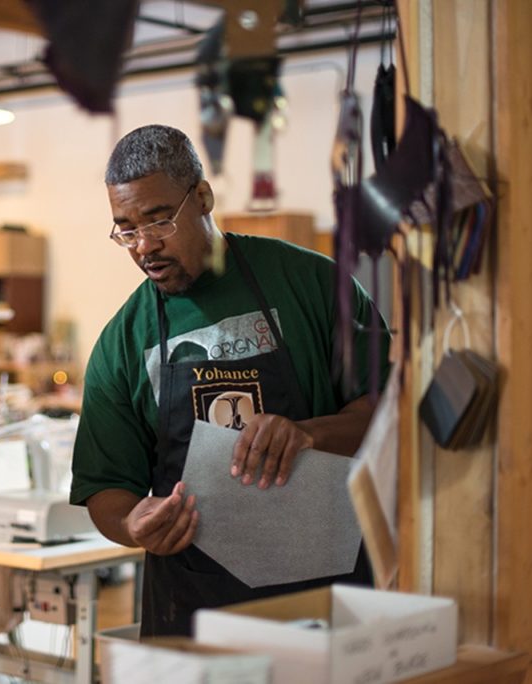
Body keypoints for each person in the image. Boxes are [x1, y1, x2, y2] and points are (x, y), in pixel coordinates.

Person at [70, 124, 390, 637]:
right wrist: (134, 523)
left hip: (322, 598)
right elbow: (106, 486)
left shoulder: (312, 285)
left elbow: (388, 409)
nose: (144, 246)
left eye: (159, 221)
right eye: (125, 230)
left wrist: (311, 434)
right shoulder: (123, 340)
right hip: (193, 606)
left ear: (202, 197)